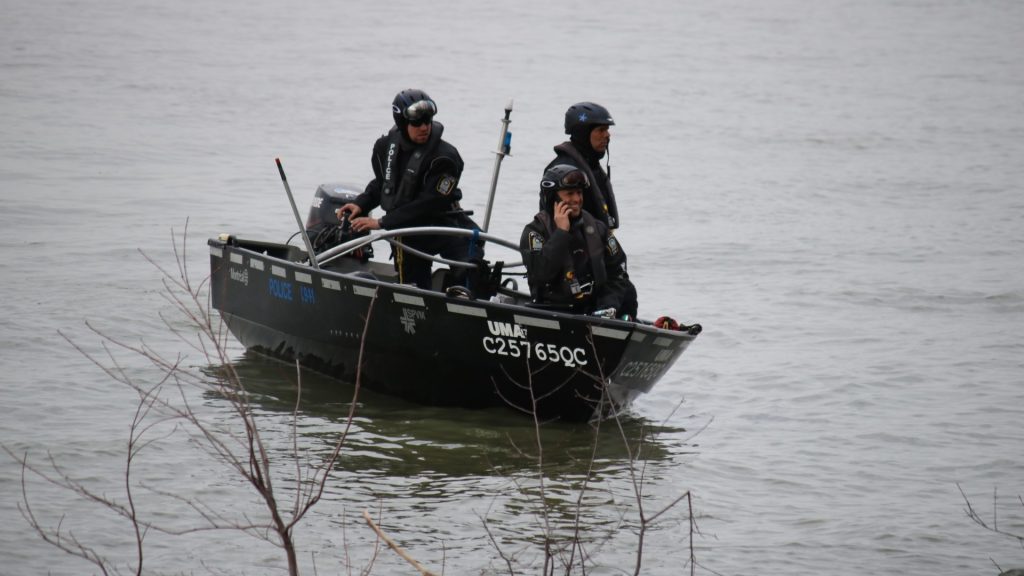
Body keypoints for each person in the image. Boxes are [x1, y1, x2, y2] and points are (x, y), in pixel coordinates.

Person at [337, 89, 482, 290]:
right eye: (417, 123)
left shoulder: (446, 158)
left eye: (428, 121)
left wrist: (381, 222)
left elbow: (429, 202)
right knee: (413, 287)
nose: (424, 127)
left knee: (471, 263)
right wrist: (360, 204)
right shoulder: (384, 147)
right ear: (402, 123)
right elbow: (383, 184)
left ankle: (468, 304)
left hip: (443, 221)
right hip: (407, 231)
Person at [520, 164, 638, 320]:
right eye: (569, 194)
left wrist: (606, 308)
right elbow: (540, 275)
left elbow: (618, 273)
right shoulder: (534, 232)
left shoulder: (598, 229)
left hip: (595, 310)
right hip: (554, 312)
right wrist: (561, 233)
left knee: (628, 290)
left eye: (579, 193)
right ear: (553, 197)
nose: (576, 199)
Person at [544, 102, 620, 230]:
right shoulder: (563, 170)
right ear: (583, 133)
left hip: (596, 241)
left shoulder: (593, 166)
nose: (607, 135)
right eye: (601, 130)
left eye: (607, 129)